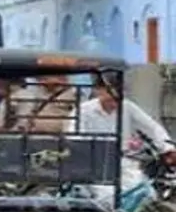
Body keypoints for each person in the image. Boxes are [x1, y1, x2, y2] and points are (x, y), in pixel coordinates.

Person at [74, 73, 176, 201]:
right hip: (95, 164)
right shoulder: (84, 110)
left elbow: (152, 128)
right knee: (107, 196)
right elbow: (75, 138)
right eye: (110, 96)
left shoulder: (127, 107)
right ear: (98, 90)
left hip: (124, 162)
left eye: (117, 98)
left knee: (144, 192)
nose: (114, 102)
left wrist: (167, 148)